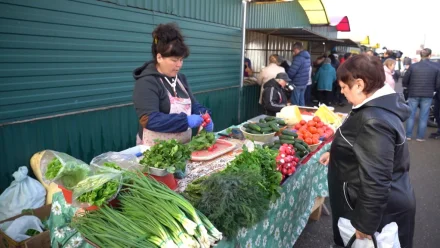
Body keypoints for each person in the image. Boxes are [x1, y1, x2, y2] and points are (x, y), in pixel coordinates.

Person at [319, 54, 415, 248]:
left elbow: (377, 178)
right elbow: (367, 149)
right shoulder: (374, 108)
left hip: (372, 212)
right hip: (376, 202)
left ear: (360, 85)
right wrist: (338, 154)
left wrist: (365, 223)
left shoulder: (373, 120)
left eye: (344, 87)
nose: (343, 92)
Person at [132, 23, 213, 146]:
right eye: (174, 60)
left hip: (182, 147)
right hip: (155, 149)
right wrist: (185, 121)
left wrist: (204, 115)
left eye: (181, 60)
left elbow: (193, 105)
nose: (179, 65)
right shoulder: (147, 82)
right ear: (159, 57)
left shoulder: (181, 79)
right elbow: (149, 119)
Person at [403, 48, 440, 141]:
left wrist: (407, 87)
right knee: (424, 116)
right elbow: (438, 83)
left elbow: (405, 79)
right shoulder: (436, 67)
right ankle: (420, 137)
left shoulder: (413, 66)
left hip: (413, 93)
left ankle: (408, 135)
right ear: (429, 56)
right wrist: (434, 90)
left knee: (411, 115)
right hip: (428, 94)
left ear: (420, 55)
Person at [287, 42, 311, 106]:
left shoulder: (298, 58)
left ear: (296, 49)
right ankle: (302, 113)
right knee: (301, 99)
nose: (293, 52)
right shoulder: (307, 57)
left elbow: (292, 72)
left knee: (295, 101)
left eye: (293, 50)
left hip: (297, 83)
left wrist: (287, 78)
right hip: (304, 82)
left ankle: (296, 114)